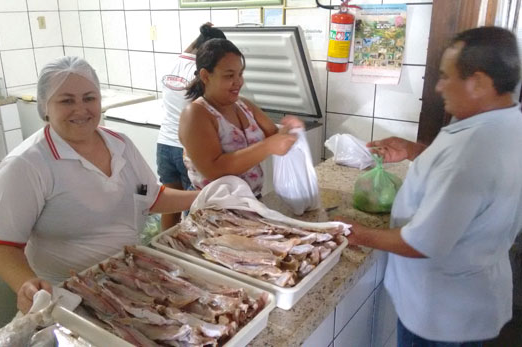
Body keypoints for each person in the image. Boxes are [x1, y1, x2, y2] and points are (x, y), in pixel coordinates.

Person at [343, 26, 522, 346]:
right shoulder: (509, 123)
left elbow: (423, 243)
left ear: (479, 82)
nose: (439, 87)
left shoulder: (471, 150)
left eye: (445, 76)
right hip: (470, 295)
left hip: (440, 313)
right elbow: (472, 185)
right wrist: (413, 151)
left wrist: (355, 232)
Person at [0, 57, 198, 314]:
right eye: (66, 100)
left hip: (129, 282)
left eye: (89, 98)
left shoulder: (121, 145)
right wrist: (26, 283)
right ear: (45, 108)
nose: (81, 109)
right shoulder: (27, 165)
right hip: (65, 299)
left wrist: (204, 196)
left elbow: (148, 196)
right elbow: (2, 245)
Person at [179, 38, 303, 197]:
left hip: (251, 203)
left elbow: (274, 135)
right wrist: (267, 147)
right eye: (229, 75)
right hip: (215, 210)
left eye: (240, 74)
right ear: (205, 76)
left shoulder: (243, 105)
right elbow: (213, 169)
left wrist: (291, 129)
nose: (238, 82)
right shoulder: (196, 114)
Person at [156, 23, 226, 230]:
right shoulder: (203, 75)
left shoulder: (174, 63)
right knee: (193, 209)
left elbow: (190, 50)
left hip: (164, 147)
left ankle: (166, 249)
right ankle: (188, 253)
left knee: (170, 206)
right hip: (188, 150)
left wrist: (203, 32)